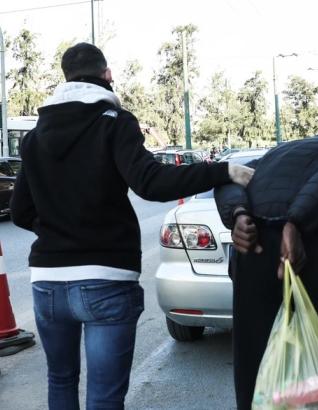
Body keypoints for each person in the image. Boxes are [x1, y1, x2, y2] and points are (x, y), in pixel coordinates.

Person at [9, 43, 253, 410]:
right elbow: (150, 183)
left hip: (47, 282)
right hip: (106, 278)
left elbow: (20, 211)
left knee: (60, 381)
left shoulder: (34, 137)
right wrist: (223, 171)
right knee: (104, 397)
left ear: (65, 78)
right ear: (107, 75)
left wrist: (58, 230)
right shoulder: (115, 122)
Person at [214, 132, 318, 410]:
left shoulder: (271, 156)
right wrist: (294, 222)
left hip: (253, 248)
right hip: (316, 246)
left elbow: (226, 179)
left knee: (254, 365)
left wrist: (239, 214)